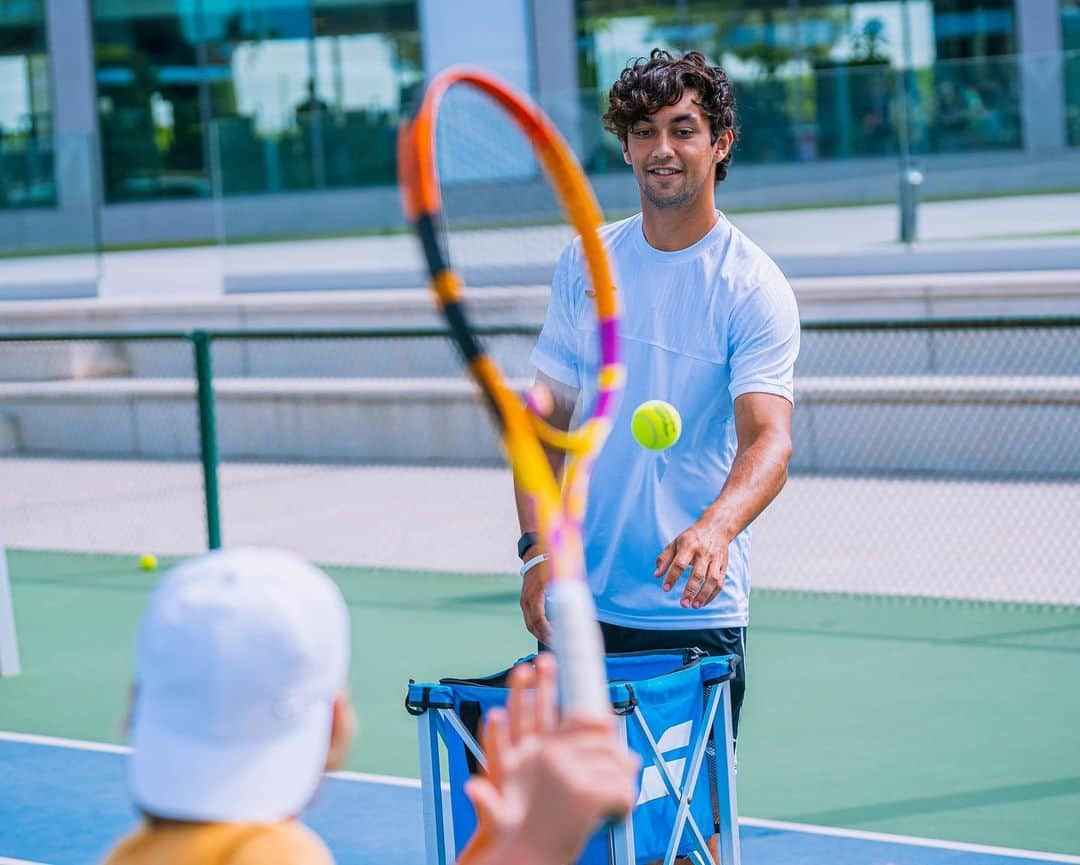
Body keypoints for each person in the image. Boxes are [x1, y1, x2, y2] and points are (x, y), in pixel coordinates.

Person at [515, 47, 800, 846]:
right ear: (628, 145)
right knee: (572, 835)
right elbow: (543, 422)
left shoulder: (752, 286)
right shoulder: (588, 262)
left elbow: (769, 437)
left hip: (692, 615)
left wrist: (716, 527)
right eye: (644, 131)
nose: (662, 148)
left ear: (721, 142)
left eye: (683, 128)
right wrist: (537, 553)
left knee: (684, 839)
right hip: (582, 606)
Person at [103, 547, 636, 865]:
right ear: (338, 724)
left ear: (133, 708)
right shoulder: (274, 854)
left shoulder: (129, 854)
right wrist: (535, 849)